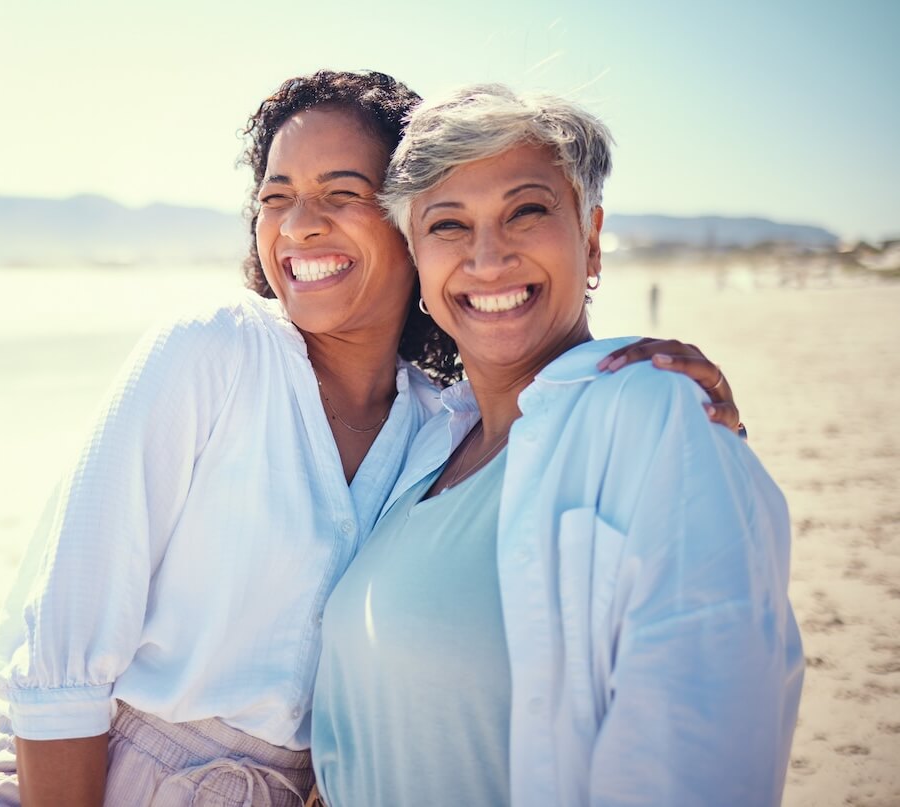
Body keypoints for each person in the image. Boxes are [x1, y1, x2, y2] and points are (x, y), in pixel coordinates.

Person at [0, 72, 742, 807]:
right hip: (93, 775)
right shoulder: (213, 351)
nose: (301, 224)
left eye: (342, 192)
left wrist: (648, 380)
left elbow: (544, 373)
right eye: (278, 197)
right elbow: (58, 659)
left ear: (406, 223)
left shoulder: (445, 427)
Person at [311, 84, 802, 806]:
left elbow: (693, 753)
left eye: (527, 211)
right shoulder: (421, 444)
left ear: (592, 237)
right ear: (417, 260)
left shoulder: (655, 413)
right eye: (448, 225)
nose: (488, 257)